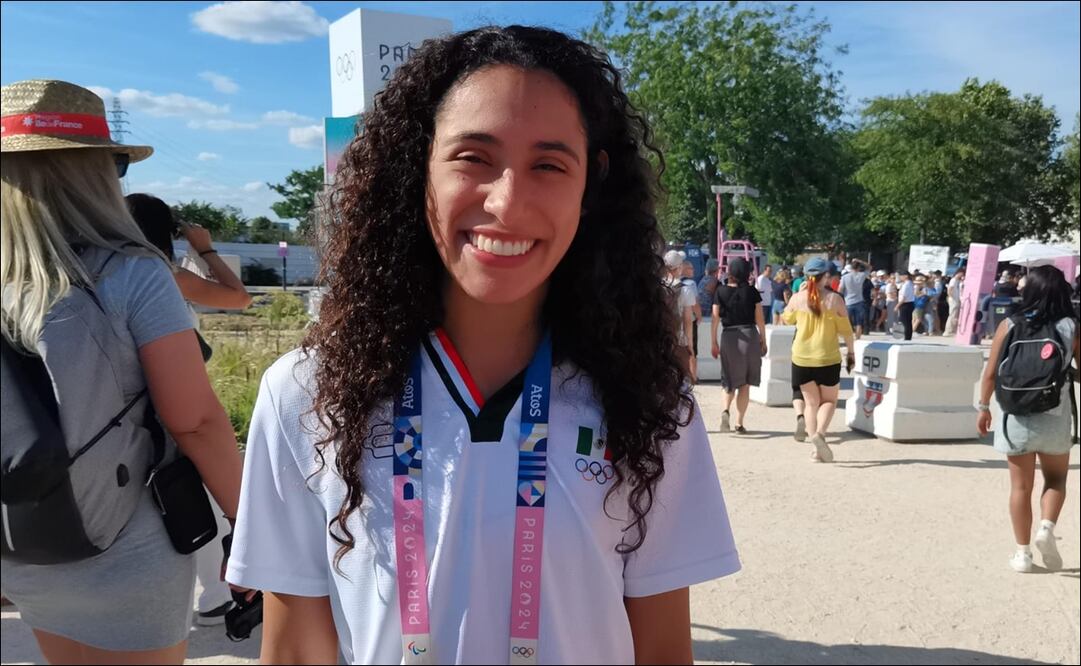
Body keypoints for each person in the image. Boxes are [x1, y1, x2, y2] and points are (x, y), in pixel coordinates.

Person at [225, 26, 741, 664]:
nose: (507, 201)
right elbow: (298, 649)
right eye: (473, 157)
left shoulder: (650, 406)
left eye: (548, 165)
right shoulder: (306, 394)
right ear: (420, 167)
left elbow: (661, 651)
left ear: (591, 185)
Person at [1, 79, 246, 664]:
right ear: (96, 171)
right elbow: (197, 423)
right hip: (125, 549)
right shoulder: (133, 272)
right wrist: (251, 522)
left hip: (22, 543)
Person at [125, 193, 252, 626]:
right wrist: (206, 249)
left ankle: (212, 594)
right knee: (204, 494)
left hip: (122, 412)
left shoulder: (94, 268)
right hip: (173, 403)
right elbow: (239, 297)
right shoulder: (157, 272)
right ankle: (220, 592)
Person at [976, 265, 1079, 573]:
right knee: (1056, 479)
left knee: (1020, 487)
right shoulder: (1070, 326)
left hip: (1016, 415)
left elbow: (991, 372)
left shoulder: (1009, 324)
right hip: (1054, 414)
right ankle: (1046, 528)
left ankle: (1022, 554)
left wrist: (983, 407)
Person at [782, 257, 856, 463]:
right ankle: (819, 435)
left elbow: (786, 318)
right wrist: (851, 353)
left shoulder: (797, 298)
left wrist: (798, 294)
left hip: (801, 357)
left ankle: (815, 450)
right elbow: (847, 332)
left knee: (811, 403)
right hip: (827, 357)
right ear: (826, 277)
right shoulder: (835, 300)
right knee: (829, 401)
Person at [711, 258, 767, 434]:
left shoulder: (720, 291)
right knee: (745, 383)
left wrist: (713, 341)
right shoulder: (751, 292)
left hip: (729, 336)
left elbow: (714, 318)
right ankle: (739, 423)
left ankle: (725, 410)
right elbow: (760, 318)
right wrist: (763, 340)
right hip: (749, 336)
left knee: (728, 380)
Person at [665, 250, 697, 381]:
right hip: (677, 340)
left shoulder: (655, 287)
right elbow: (688, 320)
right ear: (679, 267)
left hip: (658, 340)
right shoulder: (684, 289)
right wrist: (690, 345)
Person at [682, 258, 702, 380]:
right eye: (690, 268)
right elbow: (695, 303)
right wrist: (699, 316)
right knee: (692, 349)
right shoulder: (691, 284)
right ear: (683, 269)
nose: (693, 270)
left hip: (677, 320)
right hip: (690, 319)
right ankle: (693, 376)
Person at [840, 259, 868, 338]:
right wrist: (860, 261)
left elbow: (840, 289)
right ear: (859, 267)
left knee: (847, 323)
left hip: (848, 301)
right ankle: (857, 339)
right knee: (858, 323)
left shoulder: (845, 277)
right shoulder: (861, 275)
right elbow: (869, 267)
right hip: (859, 301)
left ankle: (848, 339)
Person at [896, 270, 915, 340]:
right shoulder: (908, 284)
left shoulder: (907, 285)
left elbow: (904, 297)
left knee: (905, 322)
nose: (900, 277)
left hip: (905, 304)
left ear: (906, 276)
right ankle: (907, 337)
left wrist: (897, 306)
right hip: (908, 304)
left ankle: (906, 337)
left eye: (901, 275)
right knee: (907, 322)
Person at [944, 268, 965, 335]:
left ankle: (952, 330)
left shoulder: (958, 281)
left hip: (956, 299)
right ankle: (948, 331)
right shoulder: (953, 280)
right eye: (962, 274)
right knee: (952, 315)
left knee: (954, 315)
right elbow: (950, 289)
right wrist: (951, 297)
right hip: (953, 300)